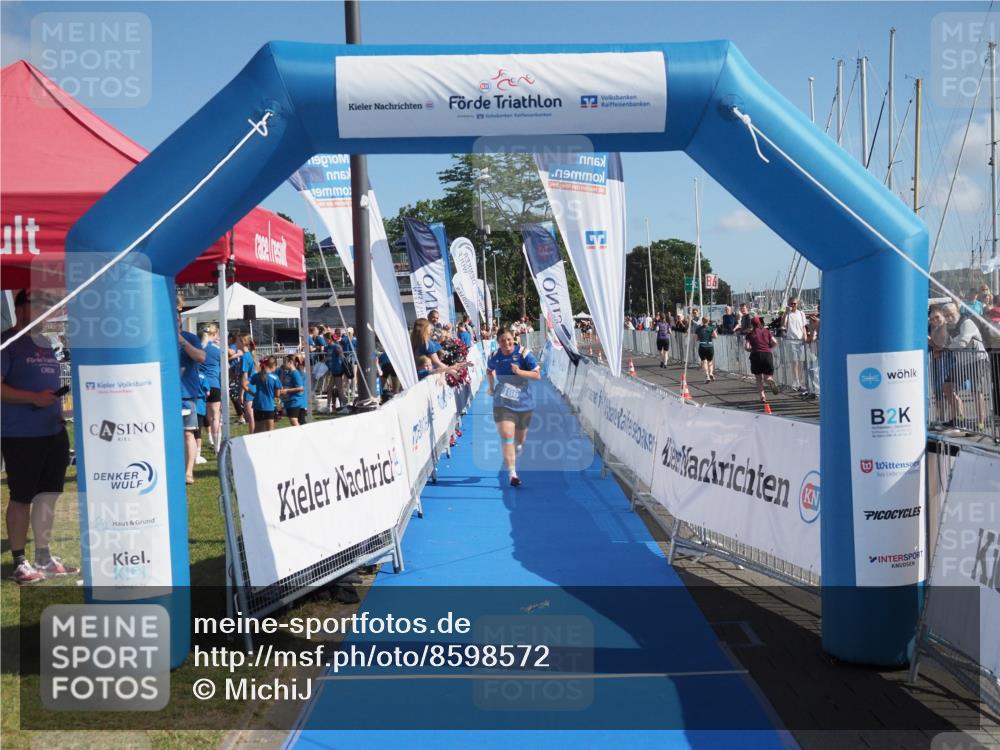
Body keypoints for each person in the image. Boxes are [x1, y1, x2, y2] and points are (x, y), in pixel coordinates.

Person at [1, 290, 79, 584]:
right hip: (21, 435)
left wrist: (55, 408)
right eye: (41, 306)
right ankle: (20, 561)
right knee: (21, 497)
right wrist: (32, 398)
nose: (47, 312)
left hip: (54, 431)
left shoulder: (47, 344)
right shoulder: (6, 342)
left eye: (49, 307)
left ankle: (44, 556)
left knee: (48, 496)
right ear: (22, 308)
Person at [487, 328, 541, 487]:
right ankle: (512, 474)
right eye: (502, 341)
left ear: (514, 339)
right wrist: (491, 387)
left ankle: (515, 449)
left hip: (523, 401)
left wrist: (519, 371)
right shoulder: (494, 357)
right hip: (502, 402)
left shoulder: (524, 353)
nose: (506, 343)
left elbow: (537, 375)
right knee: (506, 436)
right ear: (498, 342)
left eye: (509, 339)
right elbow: (489, 371)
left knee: (520, 440)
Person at [178, 301, 206, 484]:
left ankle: (188, 472)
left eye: (178, 315)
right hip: (163, 396)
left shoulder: (190, 338)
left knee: (188, 433)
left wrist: (181, 341)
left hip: (187, 395)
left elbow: (201, 357)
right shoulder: (159, 336)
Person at [199, 324, 223, 453]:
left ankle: (208, 441)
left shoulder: (199, 347)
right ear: (214, 335)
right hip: (214, 384)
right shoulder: (217, 349)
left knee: (207, 417)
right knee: (215, 417)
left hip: (201, 385)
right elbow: (225, 367)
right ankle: (217, 446)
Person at [745, 316, 780, 402]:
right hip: (767, 354)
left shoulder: (750, 334)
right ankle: (770, 380)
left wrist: (751, 349)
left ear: (752, 324)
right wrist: (770, 347)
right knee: (767, 377)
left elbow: (746, 347)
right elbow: (775, 341)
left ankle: (762, 396)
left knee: (758, 378)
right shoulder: (766, 331)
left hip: (755, 355)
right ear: (760, 323)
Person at [780, 297, 808, 393]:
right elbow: (783, 324)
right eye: (791, 304)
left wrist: (804, 335)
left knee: (801, 362)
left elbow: (804, 326)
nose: (793, 305)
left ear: (797, 304)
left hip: (800, 340)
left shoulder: (801, 313)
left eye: (794, 303)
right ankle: (796, 382)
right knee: (794, 362)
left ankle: (801, 382)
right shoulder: (788, 314)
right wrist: (785, 313)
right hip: (791, 340)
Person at [248, 356, 283, 433]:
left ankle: (256, 444)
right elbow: (277, 394)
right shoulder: (275, 377)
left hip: (257, 405)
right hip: (269, 406)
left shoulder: (257, 375)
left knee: (257, 430)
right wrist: (279, 408)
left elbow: (244, 384)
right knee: (270, 431)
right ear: (274, 366)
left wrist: (253, 393)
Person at [238, 335, 258, 434]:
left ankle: (252, 437)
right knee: (252, 416)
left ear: (242, 342)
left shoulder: (245, 357)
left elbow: (244, 378)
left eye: (238, 341)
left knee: (250, 417)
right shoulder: (250, 354)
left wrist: (241, 394)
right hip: (253, 387)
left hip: (248, 389)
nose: (236, 343)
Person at [280, 355, 307, 426]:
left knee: (294, 420)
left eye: (284, 362)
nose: (283, 364)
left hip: (294, 401)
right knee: (293, 421)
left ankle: (302, 435)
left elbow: (301, 388)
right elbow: (282, 384)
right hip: (289, 401)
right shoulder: (288, 373)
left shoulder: (295, 374)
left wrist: (287, 391)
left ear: (290, 362)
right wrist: (282, 372)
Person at [324, 342, 350, 413]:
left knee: (340, 389)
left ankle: (345, 407)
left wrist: (345, 368)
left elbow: (342, 356)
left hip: (337, 370)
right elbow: (329, 358)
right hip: (334, 371)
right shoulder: (330, 347)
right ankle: (328, 407)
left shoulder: (336, 346)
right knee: (329, 388)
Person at [695, 316, 718, 382]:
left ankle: (707, 376)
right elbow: (716, 336)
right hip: (709, 346)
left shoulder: (698, 329)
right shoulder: (711, 328)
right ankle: (711, 373)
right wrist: (711, 336)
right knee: (710, 361)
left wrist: (701, 337)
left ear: (702, 321)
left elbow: (696, 339)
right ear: (708, 321)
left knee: (704, 362)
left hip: (702, 346)